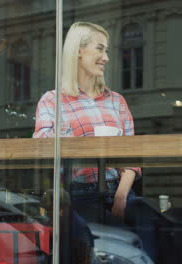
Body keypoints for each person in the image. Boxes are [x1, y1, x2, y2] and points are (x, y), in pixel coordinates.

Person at [33, 22, 158, 261]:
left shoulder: (117, 101)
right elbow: (43, 148)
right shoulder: (52, 101)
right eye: (100, 49)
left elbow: (131, 158)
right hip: (78, 194)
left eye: (107, 50)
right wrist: (73, 137)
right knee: (101, 239)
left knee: (151, 220)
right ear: (78, 51)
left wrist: (121, 197)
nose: (106, 58)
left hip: (119, 191)